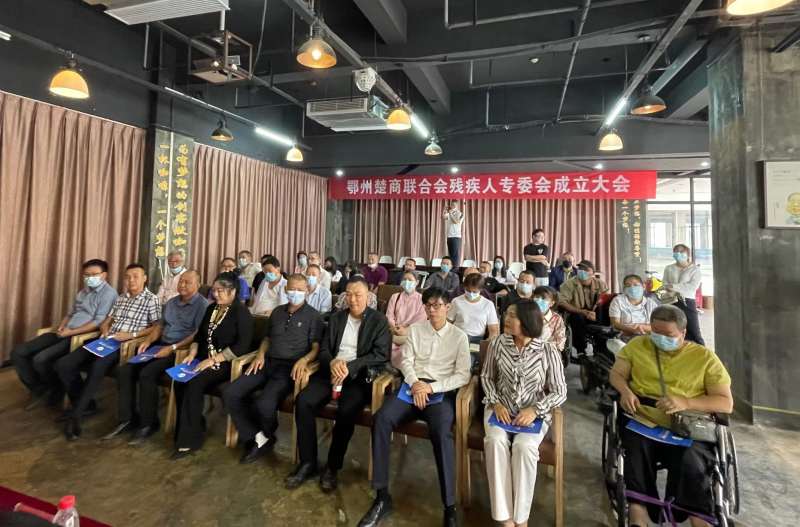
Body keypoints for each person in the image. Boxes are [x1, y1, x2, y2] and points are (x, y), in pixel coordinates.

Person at [609, 305, 733, 527]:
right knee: (635, 448)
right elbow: (617, 374)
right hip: (644, 419)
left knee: (693, 461)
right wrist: (626, 391)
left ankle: (697, 515)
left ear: (683, 333)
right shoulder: (637, 346)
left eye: (668, 334)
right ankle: (639, 509)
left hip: (688, 425)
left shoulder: (704, 358)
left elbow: (725, 402)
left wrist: (686, 402)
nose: (660, 338)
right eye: (655, 332)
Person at [361, 287, 471, 527]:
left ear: (448, 307)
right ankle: (381, 496)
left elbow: (463, 375)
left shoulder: (459, 337)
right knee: (381, 419)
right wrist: (416, 384)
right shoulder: (416, 330)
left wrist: (430, 388)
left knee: (441, 433)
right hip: (412, 386)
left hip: (440, 392)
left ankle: (449, 506)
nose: (433, 310)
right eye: (428, 305)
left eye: (438, 305)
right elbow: (406, 361)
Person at [286, 277, 390, 493]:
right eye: (349, 294)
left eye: (358, 295)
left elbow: (381, 354)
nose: (353, 299)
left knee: (346, 411)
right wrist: (333, 362)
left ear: (368, 296)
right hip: (330, 373)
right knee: (303, 401)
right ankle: (308, 462)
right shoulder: (336, 318)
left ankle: (332, 467)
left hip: (357, 378)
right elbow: (324, 349)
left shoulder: (379, 321)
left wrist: (350, 367)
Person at [482, 301, 567, 527]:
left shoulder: (548, 350)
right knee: (495, 441)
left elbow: (560, 391)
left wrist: (535, 410)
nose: (507, 319)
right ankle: (505, 517)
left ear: (528, 321)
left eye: (513, 316)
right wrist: (496, 402)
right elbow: (486, 377)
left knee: (524, 447)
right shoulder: (498, 343)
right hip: (500, 408)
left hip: (533, 414)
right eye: (507, 314)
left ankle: (522, 518)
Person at [223, 274, 323, 463]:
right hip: (266, 362)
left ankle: (265, 435)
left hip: (289, 368)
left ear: (307, 291)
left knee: (264, 404)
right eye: (292, 289)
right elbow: (267, 339)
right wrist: (260, 354)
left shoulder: (313, 316)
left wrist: (304, 360)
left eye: (300, 290)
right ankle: (258, 437)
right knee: (231, 393)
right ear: (285, 289)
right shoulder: (277, 312)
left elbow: (316, 347)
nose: (295, 293)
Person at [55, 263, 161, 440]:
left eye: (135, 276)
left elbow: (156, 327)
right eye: (127, 277)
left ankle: (76, 415)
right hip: (105, 340)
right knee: (64, 364)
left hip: (125, 344)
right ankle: (84, 404)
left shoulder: (152, 299)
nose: (131, 280)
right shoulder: (121, 297)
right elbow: (107, 320)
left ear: (144, 278)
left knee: (97, 366)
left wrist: (131, 335)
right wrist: (104, 329)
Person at [102, 270, 207, 444]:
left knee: (147, 374)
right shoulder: (172, 302)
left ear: (198, 285)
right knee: (124, 370)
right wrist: (148, 341)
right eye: (181, 281)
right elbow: (160, 326)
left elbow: (197, 334)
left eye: (187, 282)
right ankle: (127, 419)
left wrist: (172, 348)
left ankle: (148, 423)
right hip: (160, 345)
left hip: (180, 351)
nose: (182, 285)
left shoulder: (202, 305)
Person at [12, 259, 117, 410]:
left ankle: (55, 390)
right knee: (18, 352)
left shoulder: (109, 294)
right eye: (86, 275)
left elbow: (98, 323)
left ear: (104, 275)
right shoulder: (83, 292)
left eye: (94, 274)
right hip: (64, 331)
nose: (90, 278)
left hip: (79, 336)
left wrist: (71, 332)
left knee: (40, 359)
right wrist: (62, 326)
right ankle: (41, 389)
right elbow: (70, 314)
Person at [172, 272, 254, 458]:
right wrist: (192, 353)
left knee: (194, 382)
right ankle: (195, 425)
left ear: (233, 291)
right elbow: (200, 336)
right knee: (179, 381)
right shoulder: (211, 309)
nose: (216, 294)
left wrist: (213, 360)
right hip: (203, 358)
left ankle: (189, 441)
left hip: (226, 364)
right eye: (214, 290)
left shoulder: (241, 313)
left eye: (220, 291)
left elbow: (242, 347)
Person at [558, 259, 608, 356]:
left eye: (586, 270)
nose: (582, 271)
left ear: (593, 273)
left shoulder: (600, 284)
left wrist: (596, 311)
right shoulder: (568, 284)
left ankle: (601, 348)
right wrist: (582, 312)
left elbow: (605, 299)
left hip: (594, 314)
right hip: (577, 313)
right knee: (577, 318)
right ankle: (580, 349)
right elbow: (562, 302)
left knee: (603, 315)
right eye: (580, 269)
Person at [662, 244, 704, 345]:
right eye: (676, 251)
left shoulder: (695, 269)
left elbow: (692, 287)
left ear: (687, 254)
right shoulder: (669, 268)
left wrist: (673, 286)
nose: (678, 253)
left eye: (681, 251)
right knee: (675, 329)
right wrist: (672, 288)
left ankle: (702, 350)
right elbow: (665, 284)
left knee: (694, 330)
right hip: (671, 301)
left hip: (687, 301)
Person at [385, 271, 427, 368]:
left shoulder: (421, 299)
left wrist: (405, 330)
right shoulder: (395, 297)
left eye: (410, 280)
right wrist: (394, 327)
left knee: (406, 350)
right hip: (393, 330)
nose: (407, 282)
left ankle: (400, 370)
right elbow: (389, 315)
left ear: (417, 282)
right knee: (384, 345)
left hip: (411, 333)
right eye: (404, 279)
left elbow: (420, 320)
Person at [448, 273, 500, 345]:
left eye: (474, 292)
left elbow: (494, 330)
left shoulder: (488, 304)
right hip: (458, 337)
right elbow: (448, 322)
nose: (471, 294)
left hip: (477, 340)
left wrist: (489, 342)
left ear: (481, 290)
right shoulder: (456, 301)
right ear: (464, 287)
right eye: (468, 291)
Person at [610, 274, 659, 342]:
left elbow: (657, 325)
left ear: (643, 286)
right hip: (625, 335)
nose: (632, 288)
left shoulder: (651, 303)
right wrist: (632, 330)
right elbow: (615, 323)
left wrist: (642, 328)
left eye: (636, 285)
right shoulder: (618, 301)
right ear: (624, 289)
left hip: (647, 335)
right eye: (628, 286)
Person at [533, 286, 567, 351]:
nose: (539, 300)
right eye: (537, 297)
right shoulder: (526, 314)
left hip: (548, 352)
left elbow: (560, 342)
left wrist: (541, 346)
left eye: (543, 298)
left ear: (552, 303)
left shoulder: (557, 319)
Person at [443, 199, 465, 267]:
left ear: (457, 205)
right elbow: (444, 217)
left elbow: (456, 221)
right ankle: (451, 268)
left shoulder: (460, 213)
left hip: (456, 237)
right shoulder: (450, 213)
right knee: (451, 254)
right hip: (449, 236)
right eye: (452, 205)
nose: (453, 206)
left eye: (454, 205)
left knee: (455, 255)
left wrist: (450, 213)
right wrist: (445, 210)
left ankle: (455, 269)